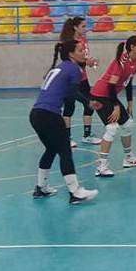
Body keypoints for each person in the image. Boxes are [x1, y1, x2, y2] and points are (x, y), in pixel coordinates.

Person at [30, 40, 101, 204]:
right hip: (50, 115)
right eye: (80, 49)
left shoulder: (59, 67)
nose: (84, 51)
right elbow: (71, 95)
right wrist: (88, 101)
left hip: (36, 114)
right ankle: (75, 192)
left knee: (51, 149)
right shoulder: (74, 69)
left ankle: (41, 188)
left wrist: (86, 101)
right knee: (65, 151)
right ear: (71, 54)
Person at [91, 36, 136, 178]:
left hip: (111, 96)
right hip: (100, 95)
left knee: (128, 124)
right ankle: (102, 166)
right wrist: (116, 106)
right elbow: (111, 86)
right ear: (132, 47)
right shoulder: (120, 63)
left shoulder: (135, 61)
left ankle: (128, 158)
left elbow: (128, 82)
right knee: (112, 128)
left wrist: (130, 103)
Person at [59, 16, 101, 147]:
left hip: (83, 78)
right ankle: (66, 137)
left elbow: (84, 58)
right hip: (71, 79)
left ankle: (87, 135)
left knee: (89, 104)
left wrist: (88, 62)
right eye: (83, 26)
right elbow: (69, 61)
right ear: (75, 27)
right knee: (69, 107)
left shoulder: (84, 40)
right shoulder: (69, 42)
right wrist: (85, 62)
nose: (85, 28)